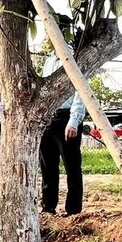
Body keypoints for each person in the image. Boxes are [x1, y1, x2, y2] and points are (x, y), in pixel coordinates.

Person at [40, 44, 86, 216]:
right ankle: (48, 206)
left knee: (72, 166)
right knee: (47, 165)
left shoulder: (74, 58)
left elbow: (80, 92)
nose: (45, 38)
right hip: (48, 117)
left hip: (67, 117)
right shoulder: (49, 61)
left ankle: (73, 210)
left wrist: (74, 121)